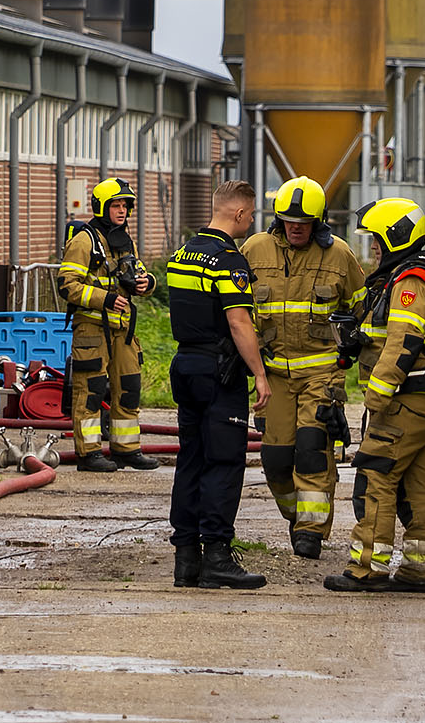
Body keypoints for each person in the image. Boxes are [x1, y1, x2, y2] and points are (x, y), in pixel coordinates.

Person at [326, 197, 425, 594]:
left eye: (377, 239)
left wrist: (376, 397)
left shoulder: (412, 282)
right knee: (418, 480)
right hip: (420, 400)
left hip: (404, 400)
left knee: (376, 474)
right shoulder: (405, 277)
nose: (373, 247)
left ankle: (367, 569)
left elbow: (402, 343)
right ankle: (420, 569)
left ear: (397, 236)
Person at [241, 175, 366, 559]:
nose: (296, 229)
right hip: (273, 374)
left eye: (304, 223)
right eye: (289, 222)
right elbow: (235, 307)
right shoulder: (254, 249)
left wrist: (353, 347)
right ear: (278, 219)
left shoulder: (340, 255)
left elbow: (363, 308)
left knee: (312, 451)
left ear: (319, 222)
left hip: (321, 374)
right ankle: (297, 517)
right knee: (276, 461)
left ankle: (311, 532)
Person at [165, 178, 270, 590]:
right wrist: (260, 374)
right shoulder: (229, 260)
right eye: (251, 214)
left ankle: (186, 558)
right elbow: (238, 322)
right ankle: (218, 558)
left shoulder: (182, 254)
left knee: (190, 459)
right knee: (224, 463)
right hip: (218, 373)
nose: (251, 221)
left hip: (186, 366)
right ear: (240, 213)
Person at [59, 177, 158, 473]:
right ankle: (88, 454)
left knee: (128, 388)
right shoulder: (84, 241)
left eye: (126, 205)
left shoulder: (125, 240)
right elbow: (66, 285)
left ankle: (125, 449)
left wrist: (147, 283)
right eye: (116, 205)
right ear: (102, 207)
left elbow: (139, 273)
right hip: (92, 329)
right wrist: (103, 299)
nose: (122, 211)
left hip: (123, 329)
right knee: (91, 390)